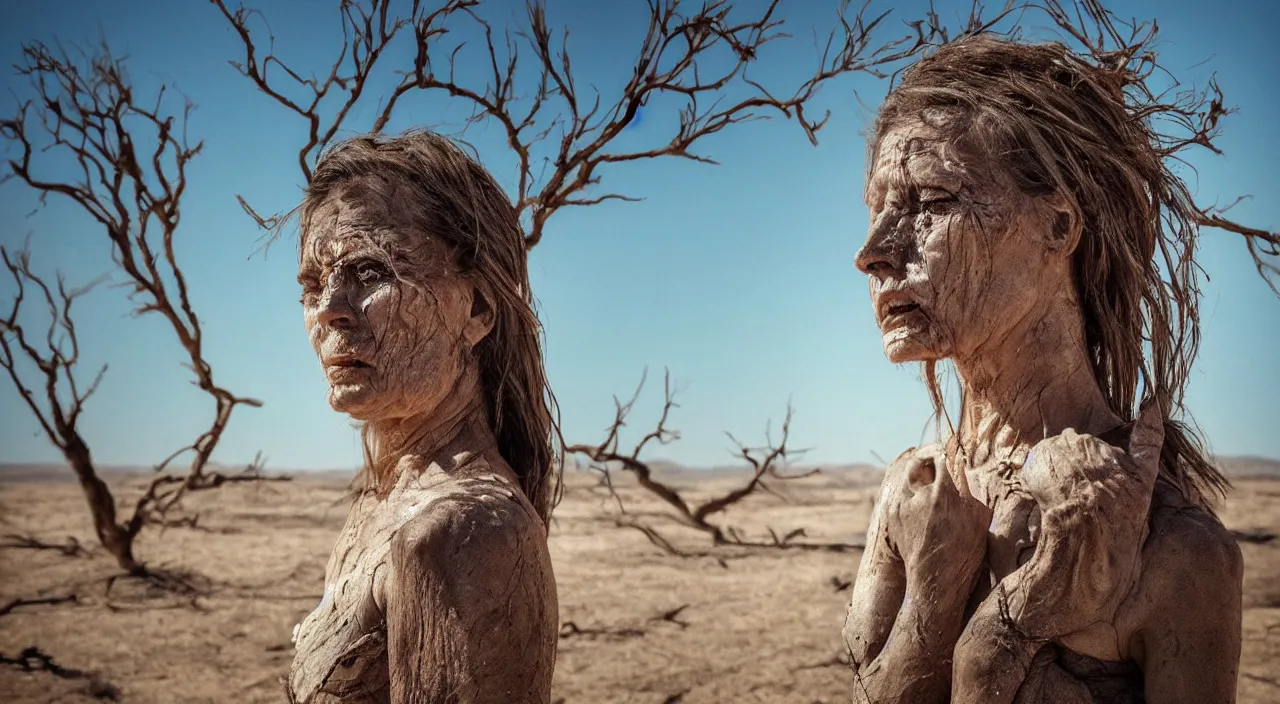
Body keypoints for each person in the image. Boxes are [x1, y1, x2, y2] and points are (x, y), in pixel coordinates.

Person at [841, 32, 1250, 703]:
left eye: (935, 201)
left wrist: (994, 642)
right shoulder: (913, 494)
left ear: (1058, 227)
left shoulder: (1173, 549)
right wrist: (940, 604)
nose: (872, 252)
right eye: (876, 208)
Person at [286, 129, 560, 703]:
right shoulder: (381, 502)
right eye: (313, 286)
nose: (330, 310)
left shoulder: (461, 533)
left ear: (478, 307)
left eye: (370, 272)